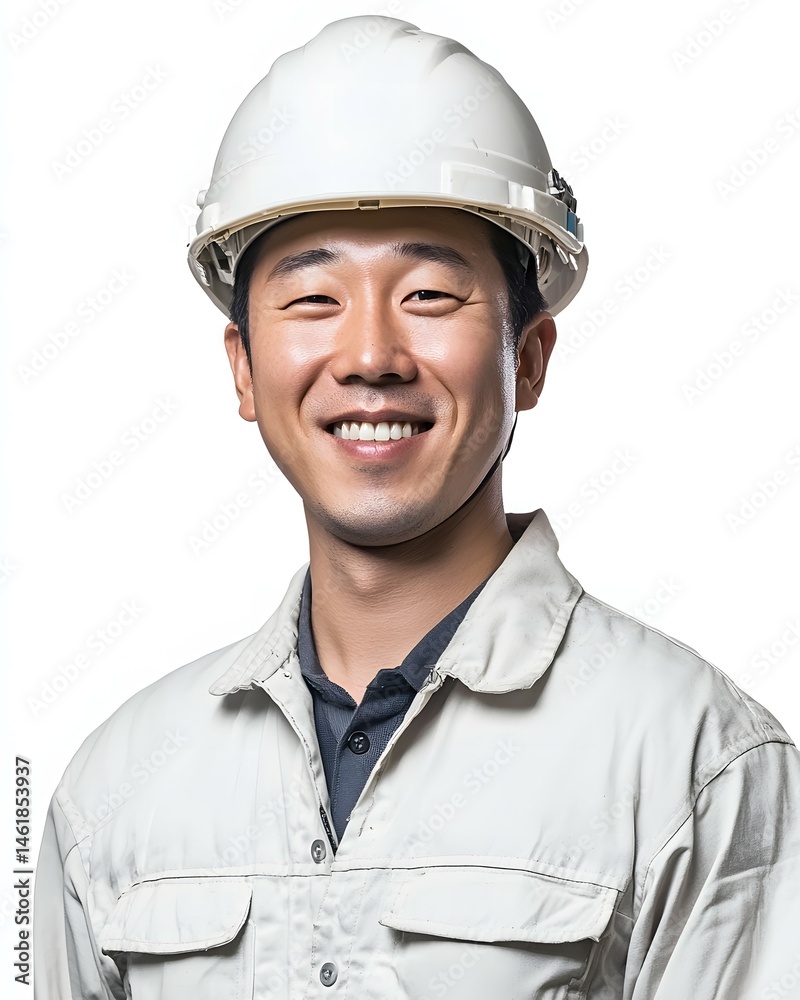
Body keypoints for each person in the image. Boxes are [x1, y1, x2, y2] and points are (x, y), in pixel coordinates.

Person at [34, 15, 800, 999]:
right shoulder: (113, 791)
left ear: (528, 358)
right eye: (313, 299)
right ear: (243, 368)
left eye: (430, 294)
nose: (369, 356)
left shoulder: (696, 764)